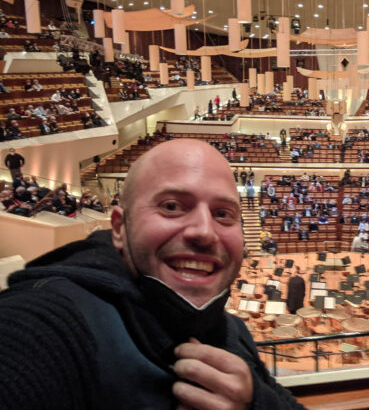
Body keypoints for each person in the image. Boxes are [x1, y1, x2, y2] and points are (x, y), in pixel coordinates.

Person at [0, 139, 304, 409]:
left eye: (223, 214)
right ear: (119, 228)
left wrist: (255, 401)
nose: (204, 232)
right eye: (171, 206)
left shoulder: (234, 332)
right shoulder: (48, 324)